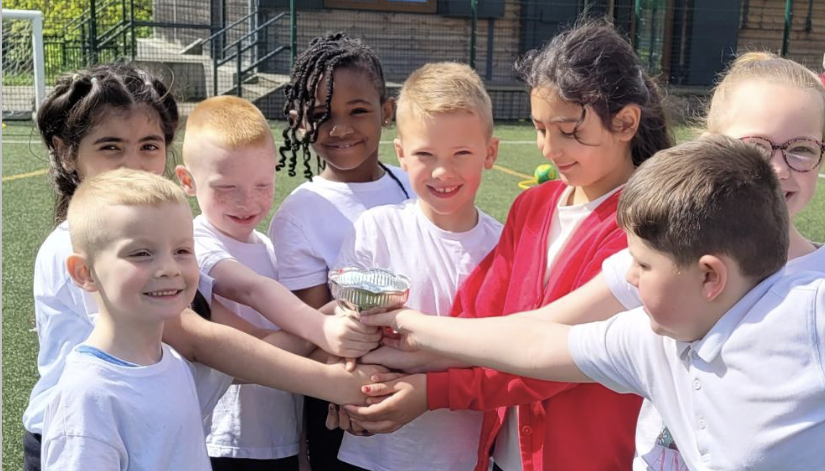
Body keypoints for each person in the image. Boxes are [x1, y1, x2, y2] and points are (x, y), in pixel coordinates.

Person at [351, 51, 825, 471]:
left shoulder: (806, 303)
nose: (775, 169)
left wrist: (426, 378)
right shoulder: (643, 309)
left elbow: (538, 350)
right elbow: (528, 334)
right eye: (755, 147)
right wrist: (392, 349)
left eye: (801, 149)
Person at [24, 63, 389, 471]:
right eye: (110, 147)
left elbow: (243, 336)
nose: (133, 163)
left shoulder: (166, 245)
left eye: (149, 145)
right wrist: (340, 377)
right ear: (67, 152)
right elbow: (204, 341)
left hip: (157, 428)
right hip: (86, 436)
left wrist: (331, 330)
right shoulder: (77, 247)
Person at [348, 21, 671, 471]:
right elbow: (479, 315)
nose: (547, 148)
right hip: (503, 456)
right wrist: (379, 360)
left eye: (567, 130)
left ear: (626, 122)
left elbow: (550, 361)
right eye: (540, 128)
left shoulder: (647, 231)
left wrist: (432, 389)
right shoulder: (533, 205)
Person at [177, 95, 375, 470]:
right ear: (187, 181)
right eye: (226, 187)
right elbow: (251, 347)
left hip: (279, 437)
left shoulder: (266, 245)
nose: (247, 201)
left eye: (262, 185)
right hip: (227, 442)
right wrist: (325, 320)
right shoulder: (193, 244)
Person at [333, 62, 503, 471]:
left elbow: (503, 352)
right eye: (425, 154)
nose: (443, 171)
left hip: (463, 458)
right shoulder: (376, 229)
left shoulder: (504, 246)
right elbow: (346, 328)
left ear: (490, 153)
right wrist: (338, 382)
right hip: (373, 453)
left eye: (461, 153)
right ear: (402, 156)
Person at [269, 32, 413, 469]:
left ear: (387, 113)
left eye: (359, 111)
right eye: (320, 114)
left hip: (428, 395)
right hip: (347, 407)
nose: (341, 128)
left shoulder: (416, 185)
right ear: (298, 120)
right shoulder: (299, 215)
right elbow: (313, 336)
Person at [41, 169, 219, 469]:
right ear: (84, 273)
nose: (169, 268)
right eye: (140, 253)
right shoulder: (88, 397)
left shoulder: (172, 362)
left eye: (182, 250)